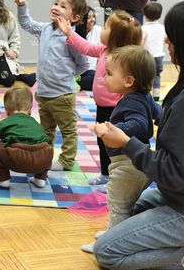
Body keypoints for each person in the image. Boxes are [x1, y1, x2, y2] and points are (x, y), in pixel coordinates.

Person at [94, 0, 184, 270]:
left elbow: (175, 174)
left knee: (107, 252)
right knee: (137, 207)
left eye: (174, 37)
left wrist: (127, 143)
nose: (167, 42)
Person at [79, 45, 161, 253]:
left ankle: (110, 245)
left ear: (128, 81)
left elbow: (141, 124)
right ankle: (114, 233)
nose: (104, 78)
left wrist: (110, 129)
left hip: (128, 164)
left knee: (118, 204)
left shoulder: (132, 100)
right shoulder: (144, 96)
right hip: (136, 163)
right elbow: (158, 113)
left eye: (108, 74)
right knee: (125, 203)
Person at [56, 10, 142, 187]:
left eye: (106, 27)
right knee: (102, 142)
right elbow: (86, 47)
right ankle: (105, 174)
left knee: (115, 146)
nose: (101, 29)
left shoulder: (123, 59)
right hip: (101, 107)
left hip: (117, 110)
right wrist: (69, 33)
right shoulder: (104, 50)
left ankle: (115, 179)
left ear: (116, 37)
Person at [14, 0, 89, 171]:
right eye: (56, 3)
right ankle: (45, 156)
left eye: (63, 6)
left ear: (75, 17)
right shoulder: (46, 29)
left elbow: (83, 64)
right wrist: (22, 6)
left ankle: (66, 161)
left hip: (62, 95)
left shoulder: (71, 37)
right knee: (46, 130)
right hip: (44, 93)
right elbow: (26, 24)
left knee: (68, 130)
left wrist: (66, 75)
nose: (56, 7)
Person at [0, 87, 53, 189]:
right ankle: (40, 179)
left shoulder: (5, 122)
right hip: (43, 160)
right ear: (30, 109)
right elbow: (47, 140)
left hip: (17, 159)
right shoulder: (36, 123)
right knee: (46, 148)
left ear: (7, 110)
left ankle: (3, 180)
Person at [142, 1, 166, 101]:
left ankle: (145, 93)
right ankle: (156, 94)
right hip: (159, 56)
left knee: (145, 75)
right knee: (157, 75)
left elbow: (141, 43)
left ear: (144, 15)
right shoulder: (162, 27)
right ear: (160, 16)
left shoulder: (143, 28)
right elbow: (165, 39)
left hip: (147, 56)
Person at [74, 7, 101, 91]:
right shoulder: (74, 32)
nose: (92, 20)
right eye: (89, 17)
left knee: (96, 79)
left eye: (93, 16)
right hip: (75, 71)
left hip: (90, 71)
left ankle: (69, 83)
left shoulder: (98, 30)